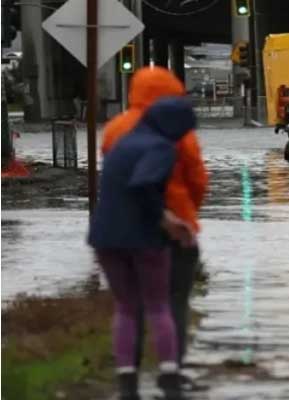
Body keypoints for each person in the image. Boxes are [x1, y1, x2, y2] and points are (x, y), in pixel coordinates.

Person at [102, 66, 208, 375]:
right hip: (173, 228)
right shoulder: (178, 133)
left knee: (128, 305)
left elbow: (113, 175)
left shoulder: (115, 129)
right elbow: (197, 178)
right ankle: (172, 370)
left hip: (124, 228)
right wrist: (187, 215)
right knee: (172, 302)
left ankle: (128, 372)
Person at [89, 97, 197, 400]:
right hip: (143, 237)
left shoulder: (123, 143)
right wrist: (168, 220)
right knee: (158, 305)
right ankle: (169, 376)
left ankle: (127, 383)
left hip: (105, 237)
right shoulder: (160, 148)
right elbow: (143, 185)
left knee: (125, 307)